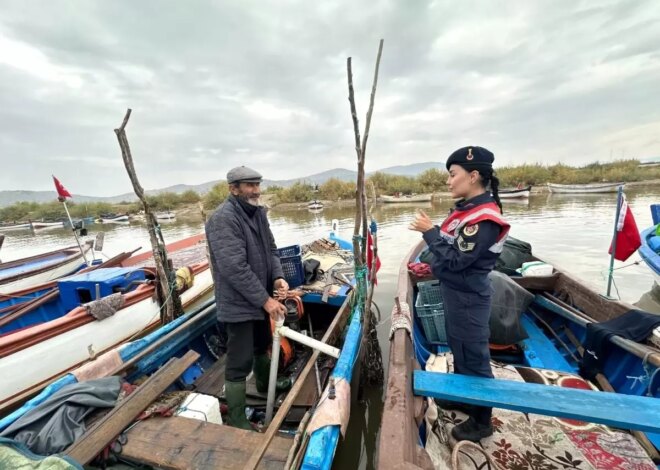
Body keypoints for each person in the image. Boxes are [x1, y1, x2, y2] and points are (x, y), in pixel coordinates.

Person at [409, 146, 510, 442]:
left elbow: (456, 260)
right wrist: (430, 264)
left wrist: (429, 232)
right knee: (460, 349)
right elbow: (451, 250)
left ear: (474, 176)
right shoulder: (465, 210)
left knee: (474, 357)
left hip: (468, 298)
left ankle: (481, 421)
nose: (449, 181)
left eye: (453, 175)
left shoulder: (484, 218)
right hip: (456, 294)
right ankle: (467, 398)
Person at [205, 165, 289, 430]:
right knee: (239, 361)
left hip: (260, 296)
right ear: (234, 189)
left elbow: (272, 249)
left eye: (257, 184)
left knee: (262, 341)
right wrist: (265, 300)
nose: (256, 190)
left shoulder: (259, 214)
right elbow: (234, 267)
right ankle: (237, 418)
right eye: (250, 185)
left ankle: (266, 382)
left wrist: (277, 276)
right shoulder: (223, 219)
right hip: (238, 303)